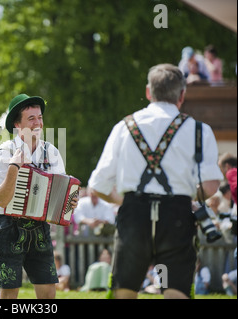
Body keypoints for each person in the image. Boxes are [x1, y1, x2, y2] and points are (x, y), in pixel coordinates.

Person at [88, 63, 224, 299]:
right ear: (182, 95)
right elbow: (211, 186)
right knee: (176, 293)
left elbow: (98, 184)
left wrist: (125, 199)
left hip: (133, 214)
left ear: (149, 92)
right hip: (177, 215)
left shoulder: (124, 127)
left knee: (124, 293)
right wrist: (185, 197)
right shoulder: (200, 130)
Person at [0, 93, 79, 299]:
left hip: (40, 227)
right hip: (8, 226)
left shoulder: (52, 152)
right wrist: (14, 168)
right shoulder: (4, 152)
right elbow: (1, 200)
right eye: (31, 118)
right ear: (17, 124)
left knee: (48, 291)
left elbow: (62, 193)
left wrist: (70, 201)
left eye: (39, 117)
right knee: (10, 291)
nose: (38, 122)